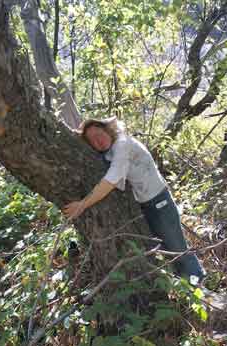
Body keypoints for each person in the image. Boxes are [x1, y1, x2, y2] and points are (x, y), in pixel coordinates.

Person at [63, 116, 205, 282]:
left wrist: (82, 205)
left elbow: (111, 180)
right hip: (147, 205)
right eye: (92, 140)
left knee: (176, 248)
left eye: (99, 134)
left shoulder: (122, 144)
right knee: (165, 250)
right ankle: (186, 287)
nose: (98, 140)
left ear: (108, 130)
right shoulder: (109, 152)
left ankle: (199, 284)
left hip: (160, 202)